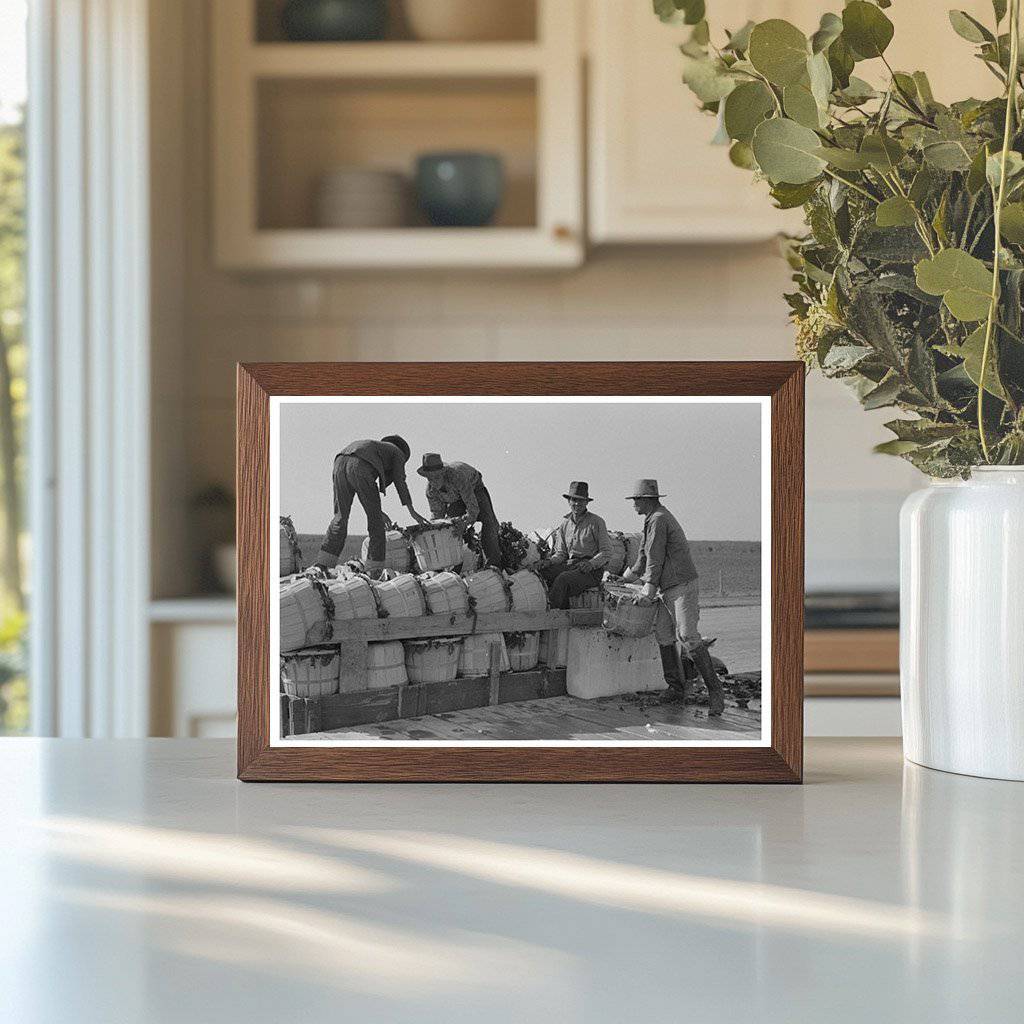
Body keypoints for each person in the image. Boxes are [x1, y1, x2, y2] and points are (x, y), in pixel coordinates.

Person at [620, 479, 725, 714]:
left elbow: (655, 559)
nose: (633, 504)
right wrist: (624, 578)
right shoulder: (651, 520)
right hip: (668, 588)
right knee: (664, 634)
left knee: (688, 636)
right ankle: (675, 688)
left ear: (647, 500)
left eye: (636, 499)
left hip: (682, 586)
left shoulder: (659, 519)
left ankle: (715, 691)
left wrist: (648, 587)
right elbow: (643, 559)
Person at [314, 436, 428, 573]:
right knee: (376, 524)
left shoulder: (376, 448)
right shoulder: (398, 453)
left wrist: (378, 511)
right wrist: (412, 512)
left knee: (340, 517)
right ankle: (374, 569)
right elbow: (400, 481)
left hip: (339, 463)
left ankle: (323, 564)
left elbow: (364, 491)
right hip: (360, 466)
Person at [537, 481, 613, 609]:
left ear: (587, 502)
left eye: (581, 501)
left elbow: (606, 552)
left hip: (591, 572)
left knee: (563, 579)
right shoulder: (565, 524)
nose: (577, 504)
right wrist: (549, 562)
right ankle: (548, 606)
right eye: (574, 500)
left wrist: (591, 564)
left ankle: (551, 614)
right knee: (541, 572)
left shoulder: (596, 522)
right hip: (570, 565)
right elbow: (561, 554)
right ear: (569, 501)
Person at [418, 453, 502, 566]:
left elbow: (472, 507)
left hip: (475, 489)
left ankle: (493, 565)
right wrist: (431, 533)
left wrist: (465, 522)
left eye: (437, 477)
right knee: (451, 527)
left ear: (443, 473)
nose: (434, 481)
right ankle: (454, 567)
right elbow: (437, 516)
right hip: (456, 500)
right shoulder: (431, 491)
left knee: (489, 523)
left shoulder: (457, 476)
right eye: (430, 478)